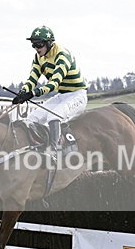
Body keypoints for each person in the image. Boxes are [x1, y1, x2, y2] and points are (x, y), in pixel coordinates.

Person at [11, 25, 87, 153]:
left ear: (49, 43)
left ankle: (55, 151)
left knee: (53, 117)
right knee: (31, 118)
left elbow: (54, 83)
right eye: (33, 45)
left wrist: (32, 93)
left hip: (77, 95)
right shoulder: (38, 57)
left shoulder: (62, 55)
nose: (36, 48)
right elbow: (32, 79)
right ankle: (35, 149)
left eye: (39, 44)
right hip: (62, 96)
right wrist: (23, 92)